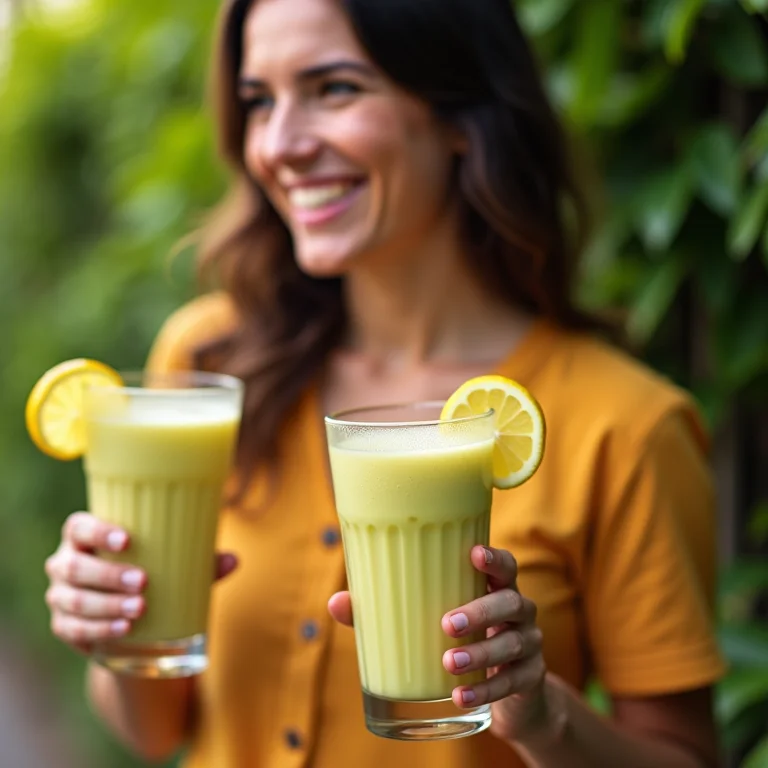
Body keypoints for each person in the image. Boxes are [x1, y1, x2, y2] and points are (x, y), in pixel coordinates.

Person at [42, 0, 727, 765]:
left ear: (460, 114)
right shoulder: (209, 360)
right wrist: (117, 633)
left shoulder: (622, 423)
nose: (278, 144)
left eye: (334, 88)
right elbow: (153, 728)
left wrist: (542, 718)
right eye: (259, 101)